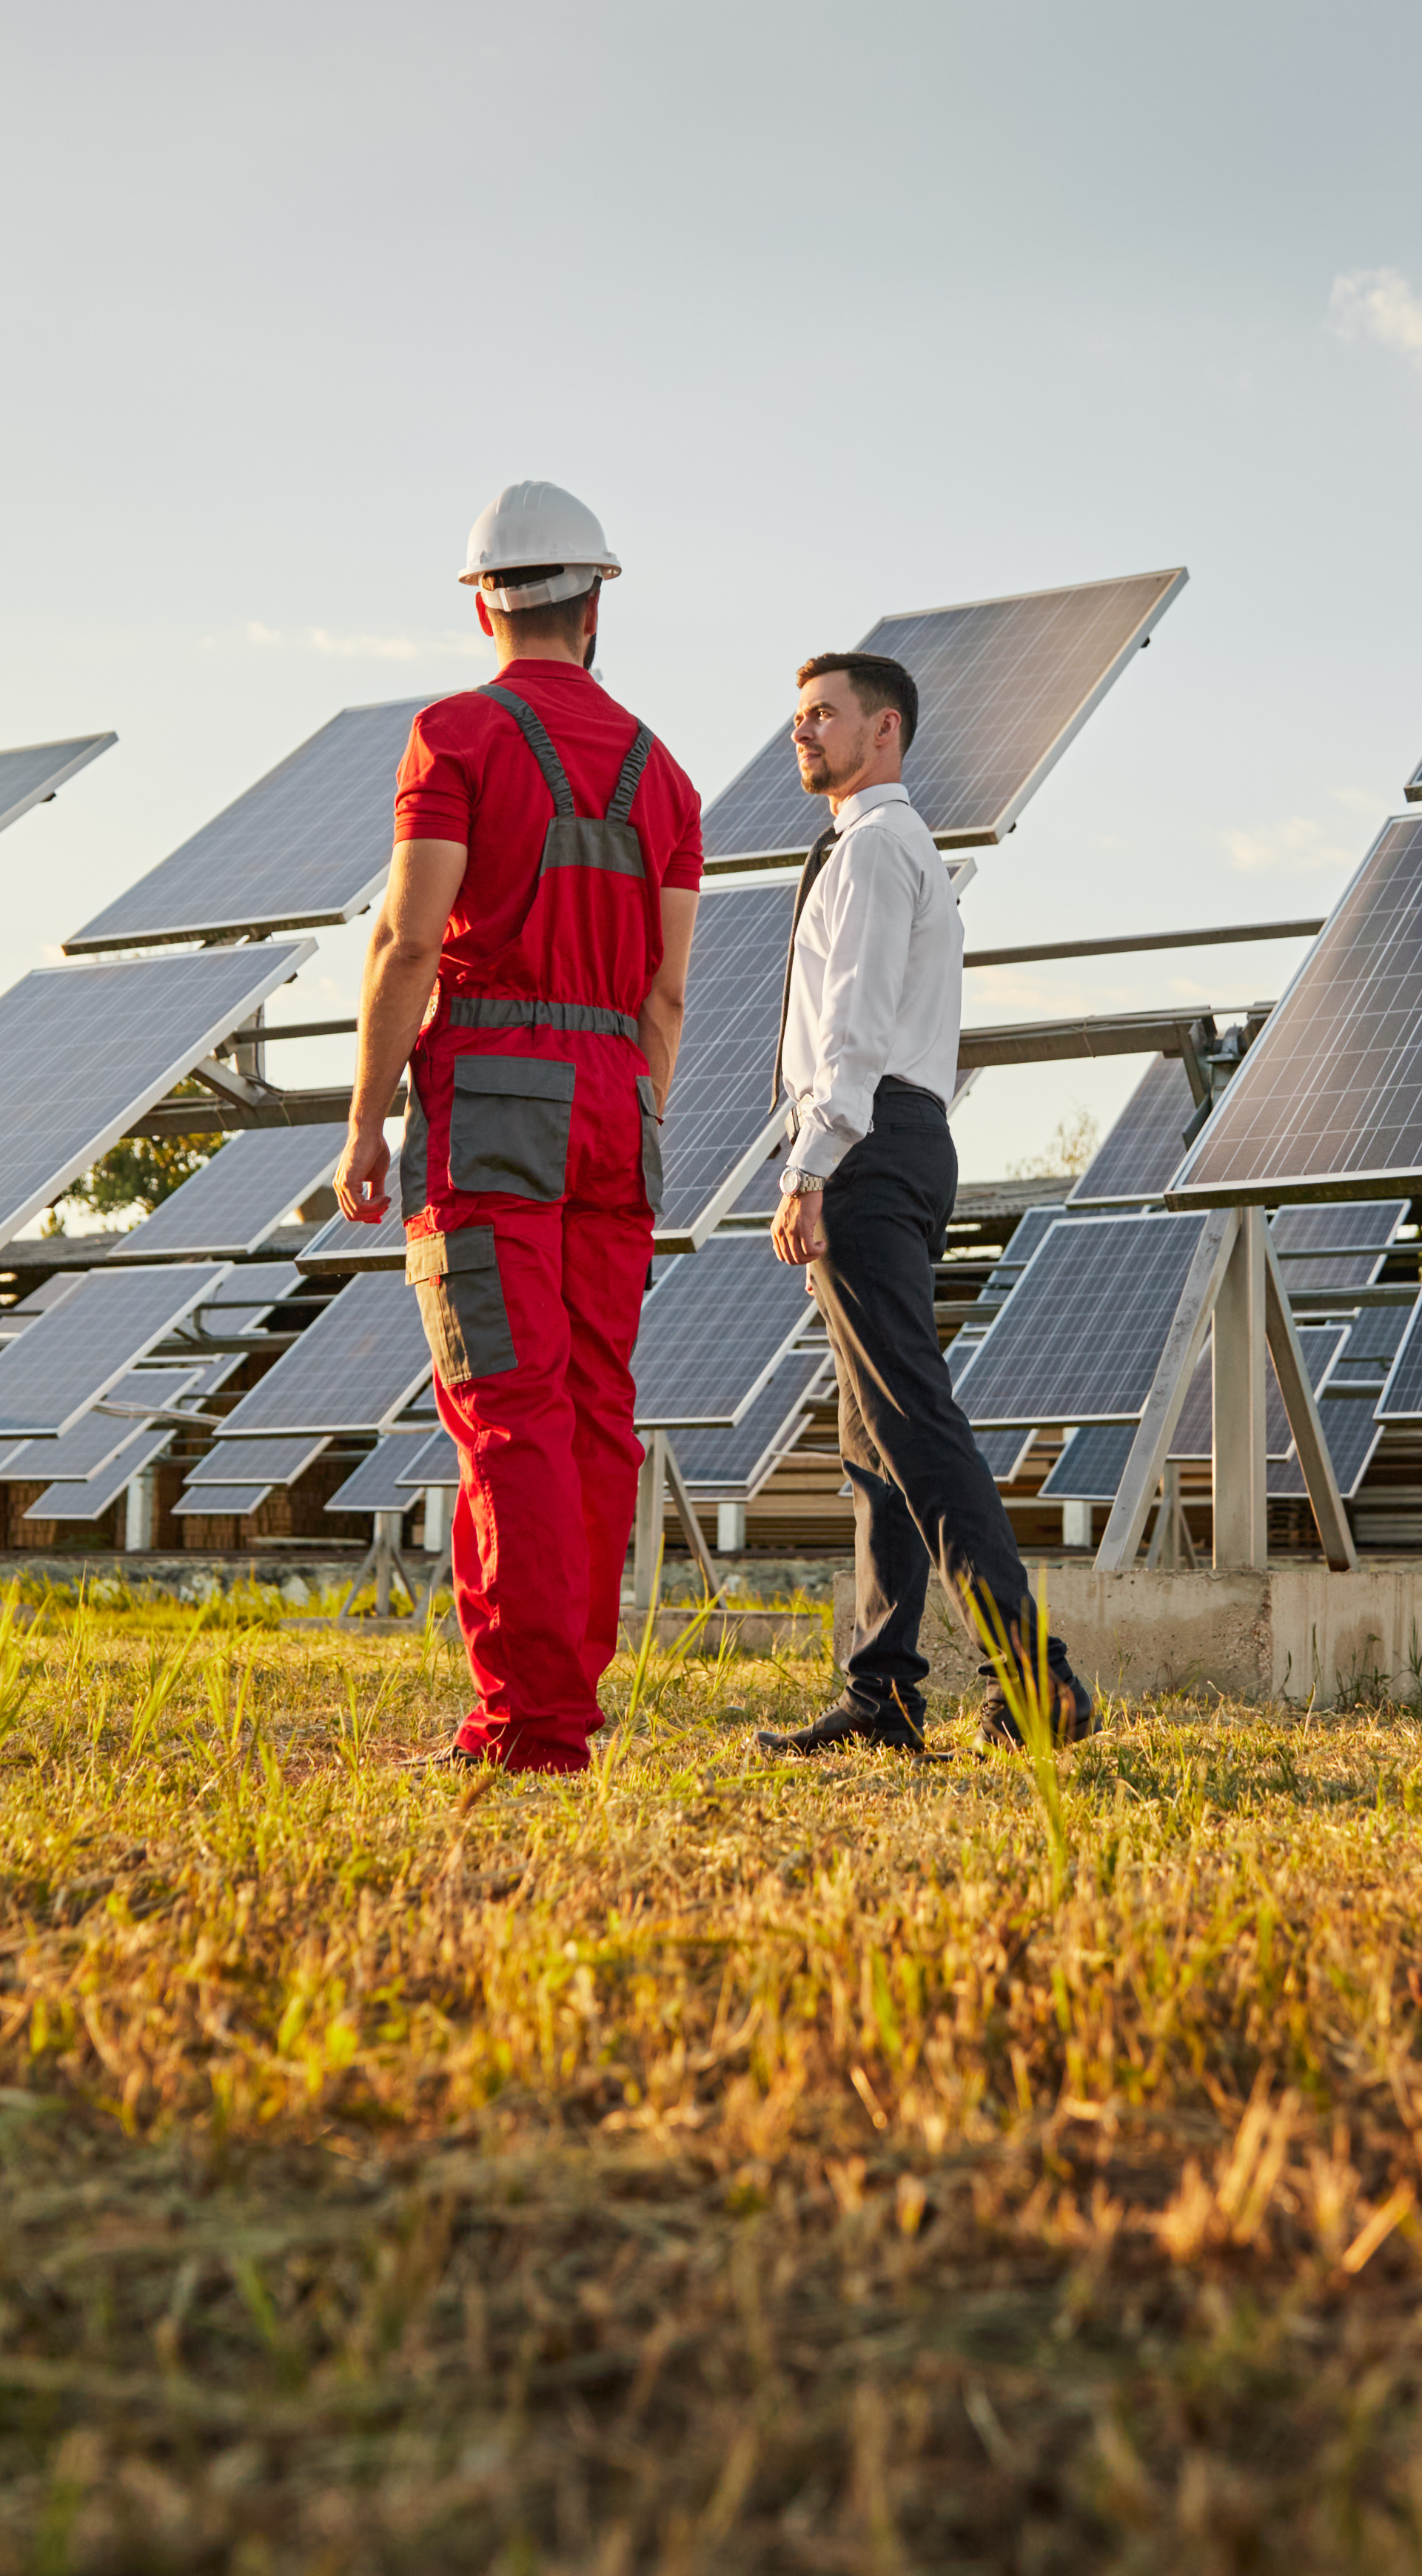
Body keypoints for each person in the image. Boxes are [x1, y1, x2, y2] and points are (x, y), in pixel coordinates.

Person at [341, 483, 701, 1774]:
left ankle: (532, 1723)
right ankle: (566, 1696)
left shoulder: (453, 736)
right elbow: (667, 993)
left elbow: (405, 941)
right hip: (619, 1096)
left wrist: (366, 1120)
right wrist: (630, 1101)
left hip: (493, 1083)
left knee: (508, 1410)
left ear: (482, 603)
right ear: (596, 600)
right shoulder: (667, 774)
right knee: (596, 1405)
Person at [753, 649, 1099, 1760]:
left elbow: (849, 1030)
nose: (800, 734)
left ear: (884, 730)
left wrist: (809, 1166)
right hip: (902, 1139)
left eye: (822, 716)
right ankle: (884, 1692)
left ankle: (1035, 1682)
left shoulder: (869, 853)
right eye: (796, 718)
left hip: (867, 1143)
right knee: (874, 1440)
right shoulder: (902, 852)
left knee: (912, 1423)